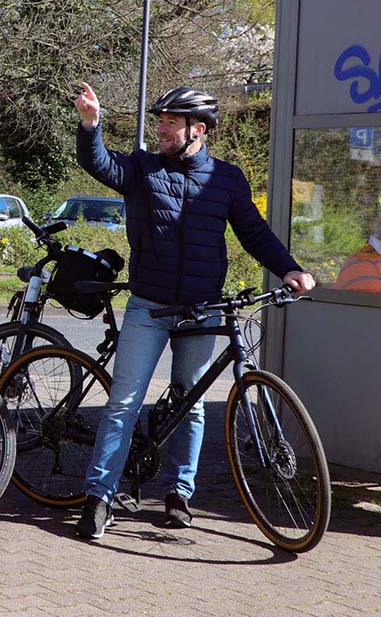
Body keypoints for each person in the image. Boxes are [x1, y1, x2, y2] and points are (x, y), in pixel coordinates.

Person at [72, 82, 315, 539]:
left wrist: (289, 269)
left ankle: (179, 493)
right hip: (149, 305)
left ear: (197, 129)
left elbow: (254, 233)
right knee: (123, 403)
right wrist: (91, 125)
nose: (160, 129)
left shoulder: (227, 179)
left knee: (191, 402)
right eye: (160, 120)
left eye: (169, 122)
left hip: (201, 307)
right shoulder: (143, 168)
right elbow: (98, 162)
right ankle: (98, 497)